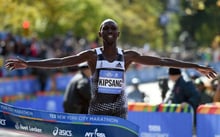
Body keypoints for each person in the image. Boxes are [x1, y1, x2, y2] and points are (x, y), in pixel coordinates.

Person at [4, 18, 217, 119]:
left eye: (113, 29)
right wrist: (28, 63)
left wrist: (195, 66)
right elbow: (60, 62)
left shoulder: (128, 57)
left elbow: (163, 61)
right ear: (100, 34)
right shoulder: (91, 56)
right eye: (105, 28)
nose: (109, 31)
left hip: (119, 112)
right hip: (97, 111)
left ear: (118, 34)